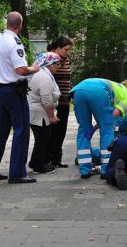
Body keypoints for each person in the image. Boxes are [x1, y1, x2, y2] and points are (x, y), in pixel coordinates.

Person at [0, 11, 40, 184]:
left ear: (7, 23)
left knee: (1, 130)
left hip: (0, 90)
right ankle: (18, 173)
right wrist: (34, 68)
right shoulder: (14, 43)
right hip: (14, 91)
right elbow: (20, 70)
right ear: (20, 25)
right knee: (21, 130)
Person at [69, 77, 127, 179]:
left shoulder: (116, 86)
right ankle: (106, 169)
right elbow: (110, 119)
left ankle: (84, 171)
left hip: (78, 90)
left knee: (84, 130)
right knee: (107, 130)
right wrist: (97, 127)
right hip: (98, 92)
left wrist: (92, 129)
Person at [27, 52, 62, 173]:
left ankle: (34, 162)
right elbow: (46, 99)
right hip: (40, 114)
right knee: (42, 139)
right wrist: (52, 116)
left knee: (41, 138)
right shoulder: (44, 77)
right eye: (58, 64)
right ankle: (38, 165)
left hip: (35, 112)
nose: (59, 67)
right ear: (50, 64)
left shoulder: (38, 73)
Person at [45, 37, 73, 168]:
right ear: (57, 48)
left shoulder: (66, 61)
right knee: (51, 131)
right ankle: (48, 159)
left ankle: (56, 159)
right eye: (66, 49)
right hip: (53, 103)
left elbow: (67, 80)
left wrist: (71, 92)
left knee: (61, 131)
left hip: (64, 102)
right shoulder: (50, 60)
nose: (68, 52)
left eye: (69, 50)